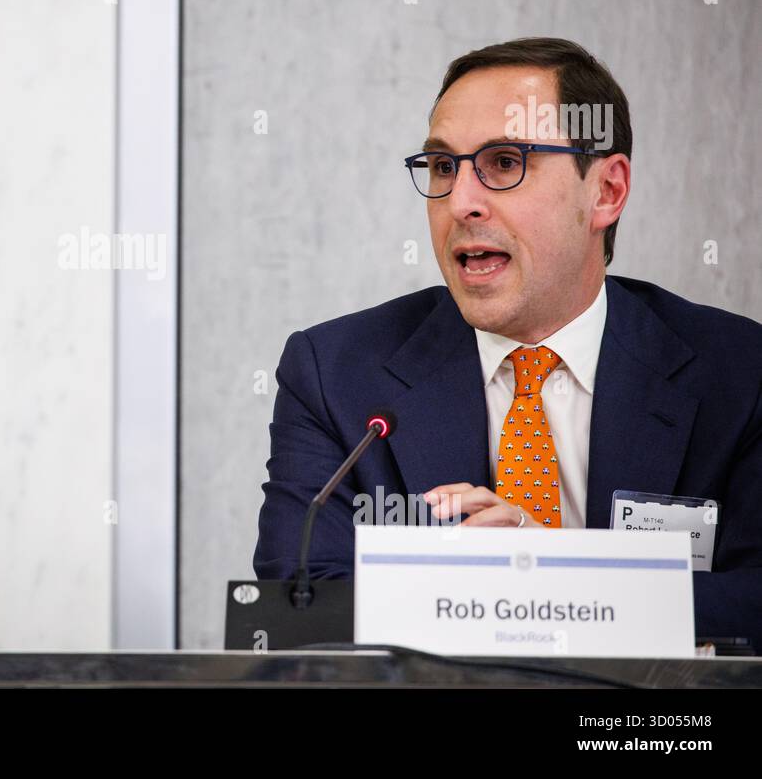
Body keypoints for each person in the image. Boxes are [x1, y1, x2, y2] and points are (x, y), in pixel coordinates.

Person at [254, 38, 762, 645]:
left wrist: (544, 575)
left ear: (606, 191)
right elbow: (300, 609)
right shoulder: (335, 373)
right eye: (444, 167)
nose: (461, 202)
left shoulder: (738, 372)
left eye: (503, 163)